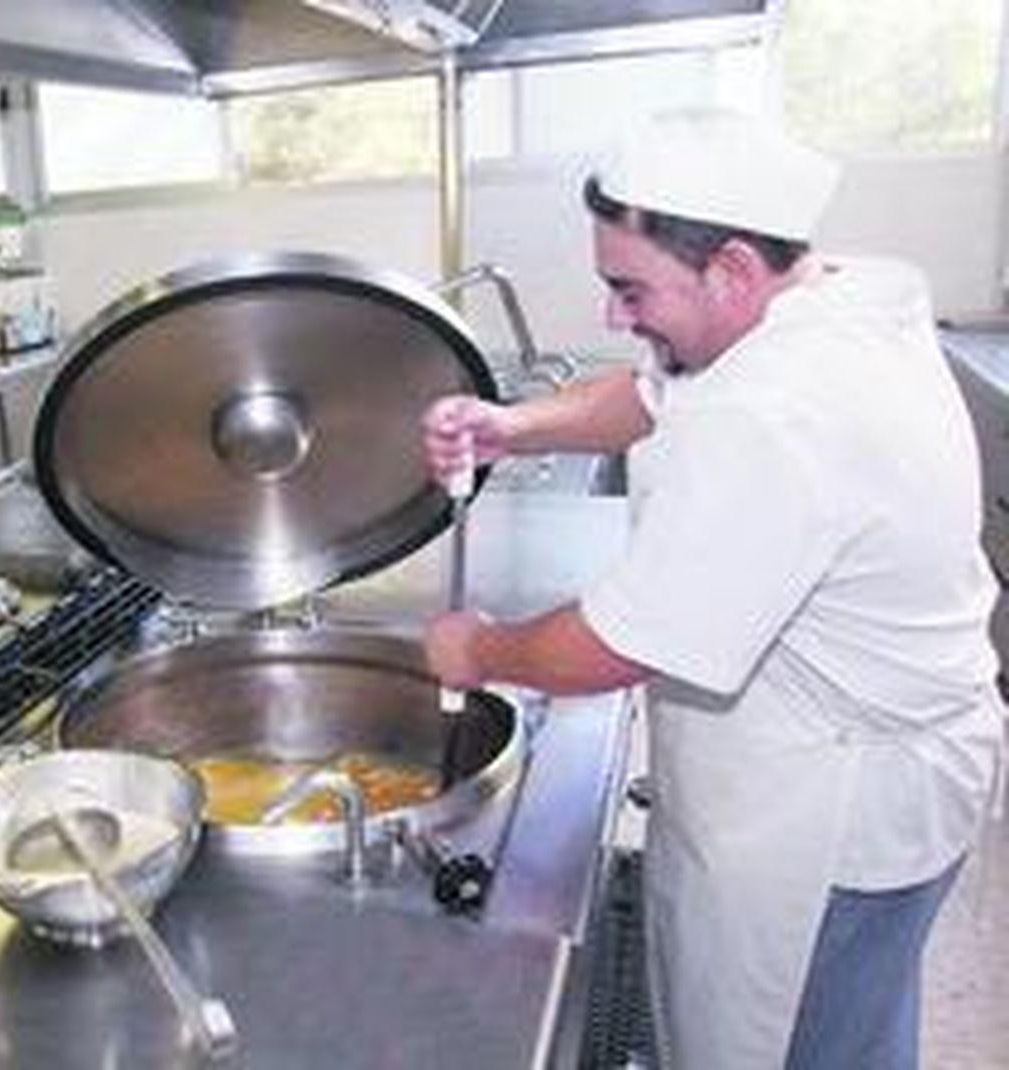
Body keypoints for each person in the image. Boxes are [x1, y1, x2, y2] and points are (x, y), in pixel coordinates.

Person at [421, 108, 1004, 1069]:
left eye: (628, 287)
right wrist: (508, 427)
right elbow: (652, 394)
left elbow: (620, 642)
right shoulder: (813, 302)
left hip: (831, 823)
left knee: (811, 1043)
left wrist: (478, 650)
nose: (615, 315)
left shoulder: (782, 412)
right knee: (861, 1029)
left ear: (731, 268)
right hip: (883, 772)